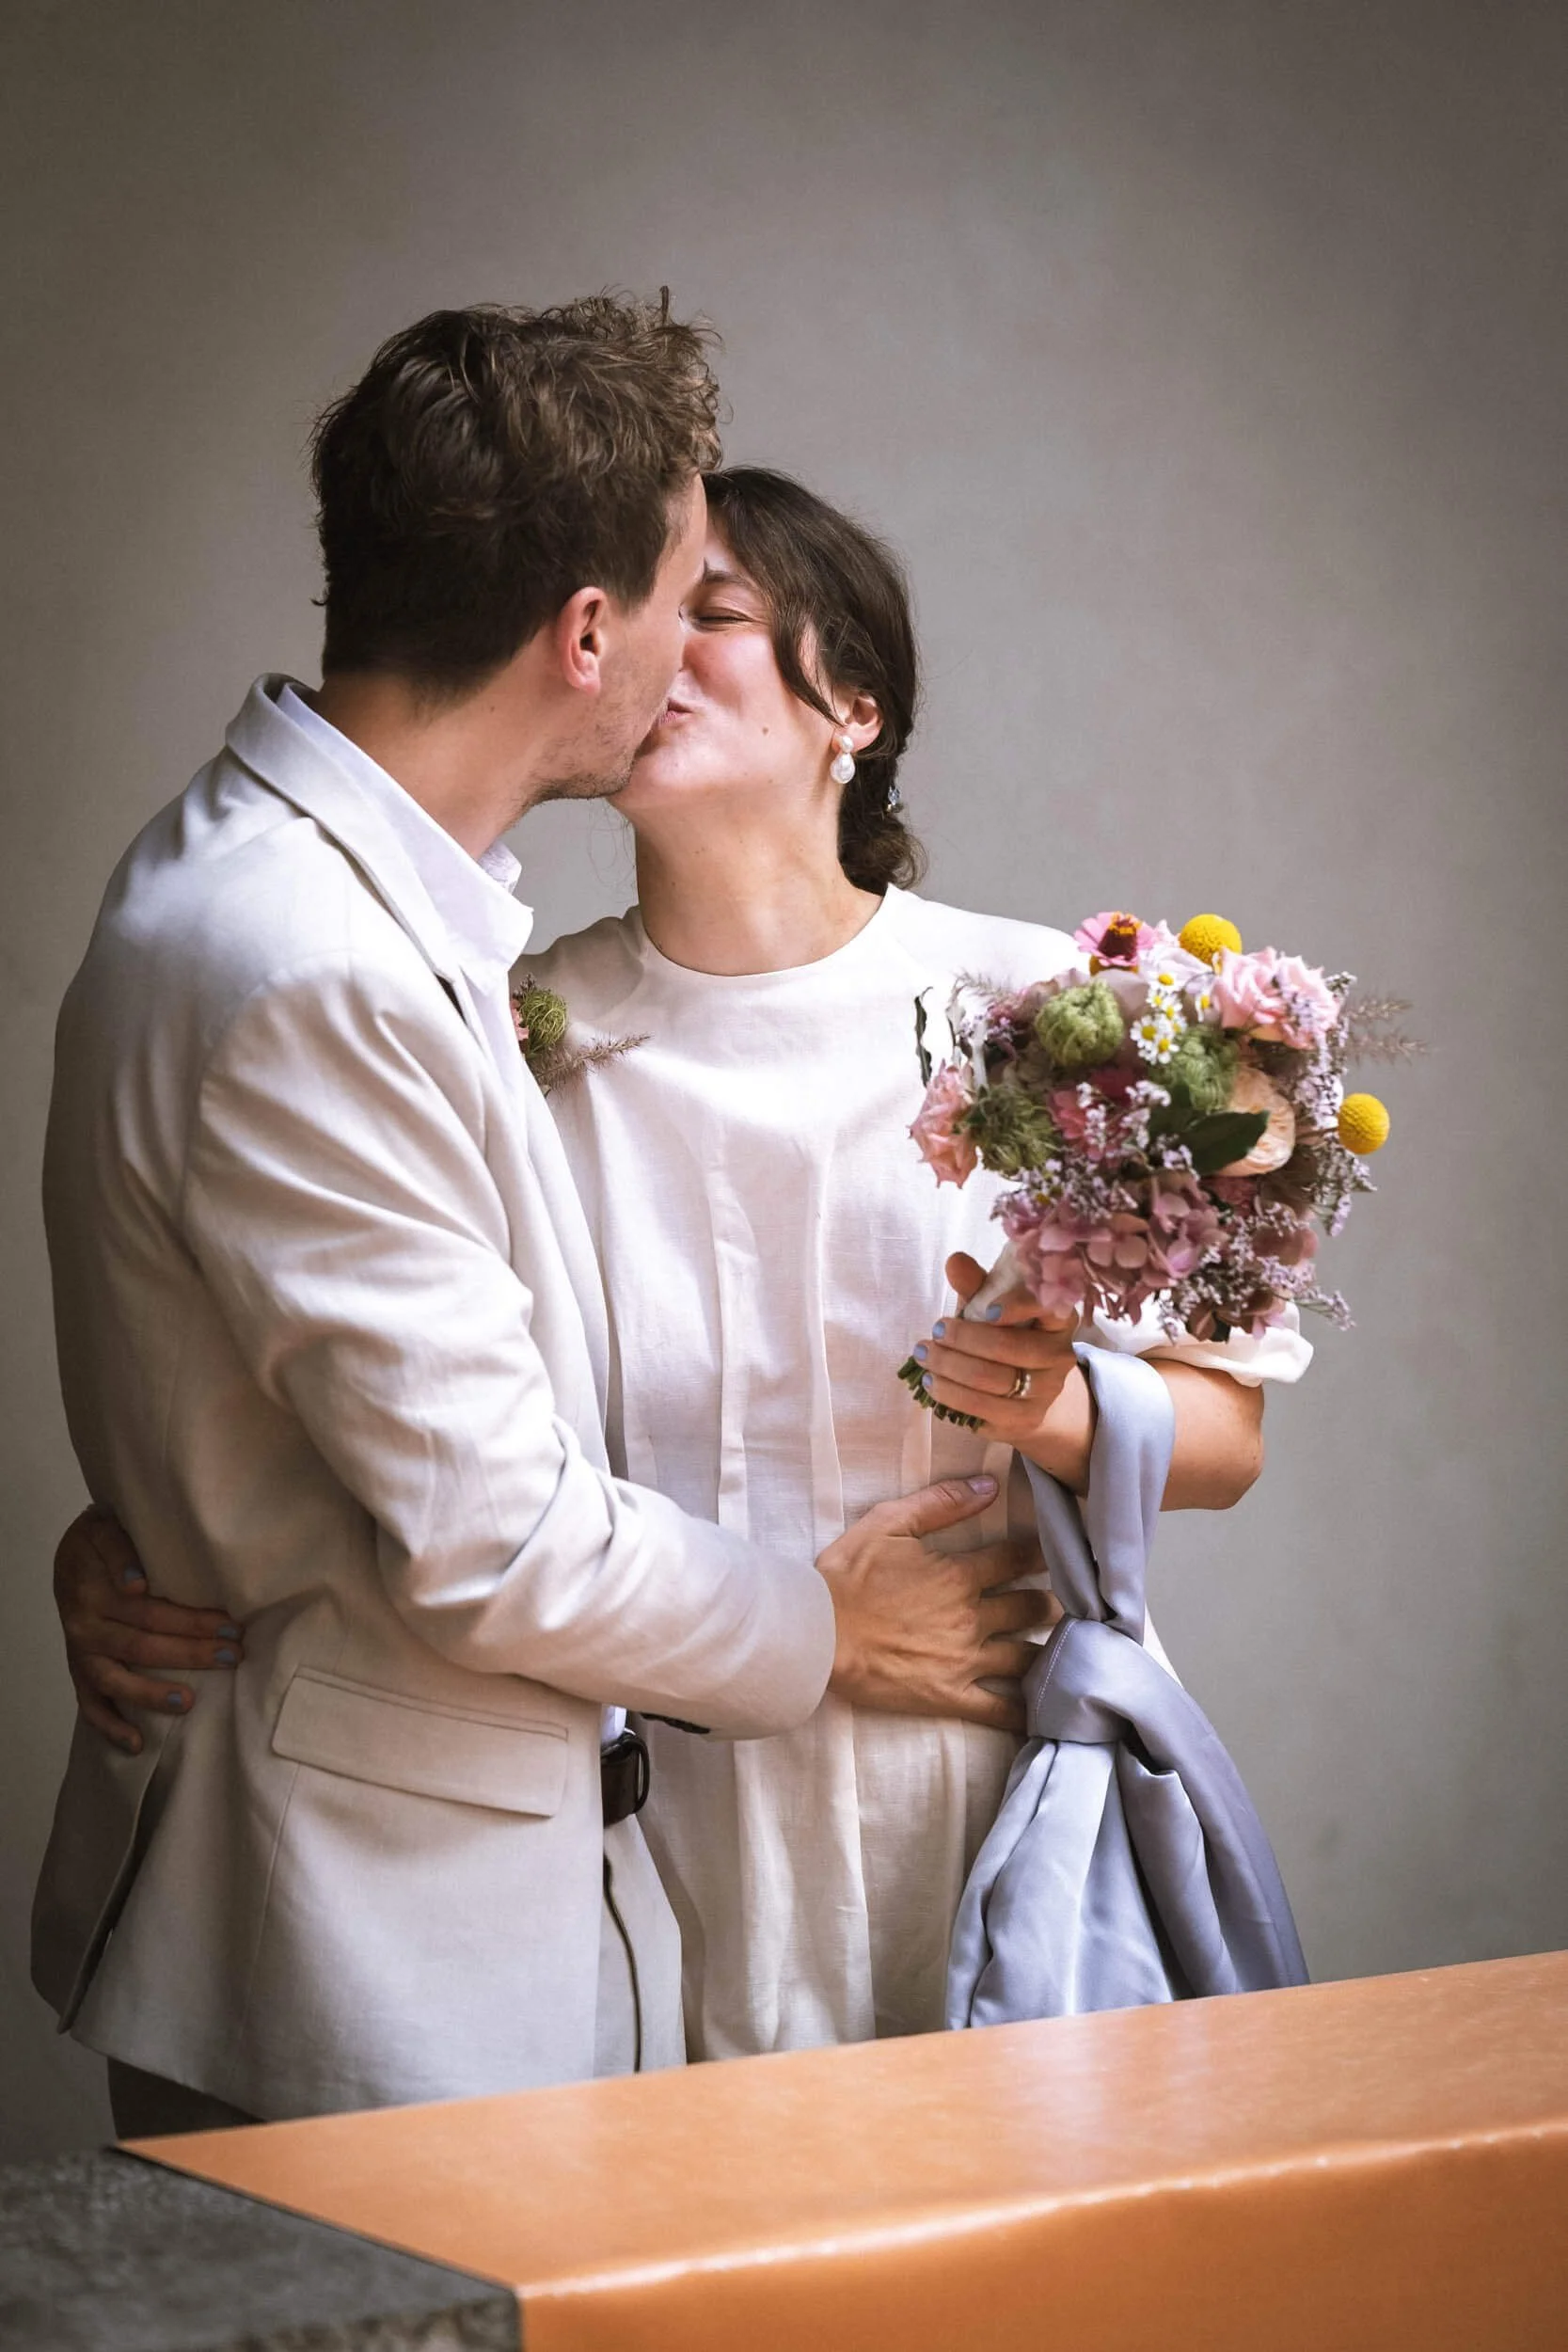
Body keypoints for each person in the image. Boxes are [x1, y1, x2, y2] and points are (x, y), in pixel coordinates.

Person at [57, 464, 1307, 2063]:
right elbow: (371, 1407)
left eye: (714, 615)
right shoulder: (510, 1031)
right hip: (637, 1785)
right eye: (653, 615)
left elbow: (1226, 1440)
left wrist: (1061, 1413)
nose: (660, 656)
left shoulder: (1051, 1010)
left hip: (976, 1763)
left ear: (851, 704)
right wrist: (134, 1536)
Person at [33, 312, 1049, 2139]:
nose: (676, 649)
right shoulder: (315, 964)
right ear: (587, 635)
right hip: (356, 1961)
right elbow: (495, 1532)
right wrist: (836, 1634)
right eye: (681, 591)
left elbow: (291, 1382)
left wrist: (162, 1508)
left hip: (535, 1903)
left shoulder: (309, 894)